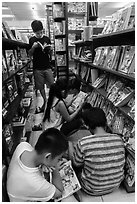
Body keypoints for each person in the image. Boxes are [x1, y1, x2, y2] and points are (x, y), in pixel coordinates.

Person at [7, 128, 78, 202]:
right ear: (47, 156)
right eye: (58, 159)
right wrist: (55, 169)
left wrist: (45, 163)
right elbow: (59, 192)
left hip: (18, 190)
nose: (58, 161)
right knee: (69, 199)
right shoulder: (35, 183)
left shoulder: (23, 145)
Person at [71, 107, 125, 196]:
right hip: (115, 186)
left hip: (91, 189)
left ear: (87, 126)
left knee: (74, 157)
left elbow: (76, 164)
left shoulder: (83, 142)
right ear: (106, 122)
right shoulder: (118, 139)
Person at [29, 20, 54, 114]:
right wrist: (33, 47)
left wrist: (50, 50)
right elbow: (30, 54)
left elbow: (50, 53)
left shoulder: (47, 39)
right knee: (40, 87)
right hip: (37, 67)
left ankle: (51, 101)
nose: (39, 35)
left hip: (47, 66)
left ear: (43, 30)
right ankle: (45, 101)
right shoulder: (32, 40)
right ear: (34, 32)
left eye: (41, 32)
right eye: (37, 33)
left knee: (52, 84)